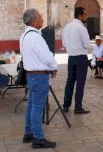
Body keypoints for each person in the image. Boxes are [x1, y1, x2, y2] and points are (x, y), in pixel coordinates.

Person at [20, 9, 58, 149]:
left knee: (31, 105)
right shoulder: (36, 37)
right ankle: (38, 138)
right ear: (34, 20)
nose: (42, 19)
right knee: (37, 107)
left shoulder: (24, 35)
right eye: (40, 17)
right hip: (39, 76)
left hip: (31, 75)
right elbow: (46, 56)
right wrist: (54, 66)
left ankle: (28, 133)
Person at [62, 7, 91, 114]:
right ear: (80, 15)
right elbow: (87, 44)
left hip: (71, 58)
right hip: (81, 58)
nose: (87, 17)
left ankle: (66, 105)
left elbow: (64, 44)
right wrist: (88, 48)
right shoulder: (82, 28)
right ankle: (78, 107)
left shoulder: (67, 27)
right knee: (80, 83)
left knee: (70, 81)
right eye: (85, 15)